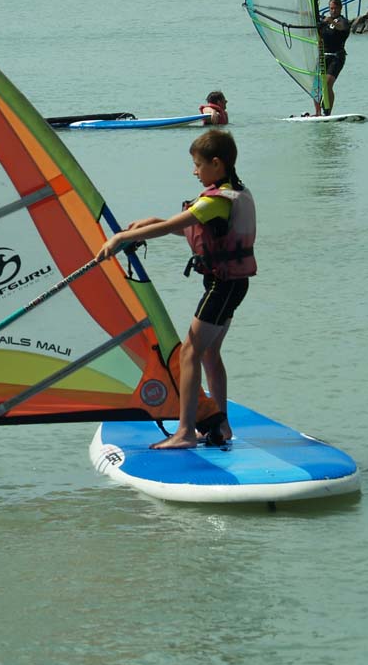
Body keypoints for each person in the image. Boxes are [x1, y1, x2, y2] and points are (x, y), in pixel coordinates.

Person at [95, 129, 255, 450]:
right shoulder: (232, 192)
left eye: (198, 165)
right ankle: (222, 426)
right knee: (209, 352)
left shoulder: (217, 200)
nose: (194, 172)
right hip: (231, 284)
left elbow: (173, 226)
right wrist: (153, 219)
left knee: (189, 352)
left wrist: (121, 238)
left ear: (216, 163)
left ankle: (185, 432)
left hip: (222, 286)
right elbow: (190, 229)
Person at [317, 0, 351, 116]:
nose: (333, 11)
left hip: (337, 57)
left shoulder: (343, 21)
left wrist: (331, 21)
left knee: (327, 83)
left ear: (340, 8)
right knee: (316, 86)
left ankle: (328, 113)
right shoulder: (324, 22)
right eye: (331, 8)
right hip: (323, 56)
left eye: (335, 8)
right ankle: (317, 112)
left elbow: (341, 27)